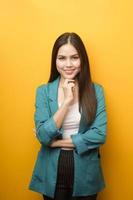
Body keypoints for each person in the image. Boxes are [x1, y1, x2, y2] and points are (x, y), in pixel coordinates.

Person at [28, 32, 107, 200]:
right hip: (51, 172)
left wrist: (55, 142)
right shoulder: (43, 91)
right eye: (62, 58)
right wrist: (66, 103)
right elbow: (43, 135)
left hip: (86, 173)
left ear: (82, 60)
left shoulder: (96, 91)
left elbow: (99, 135)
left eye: (75, 57)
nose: (68, 64)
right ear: (54, 61)